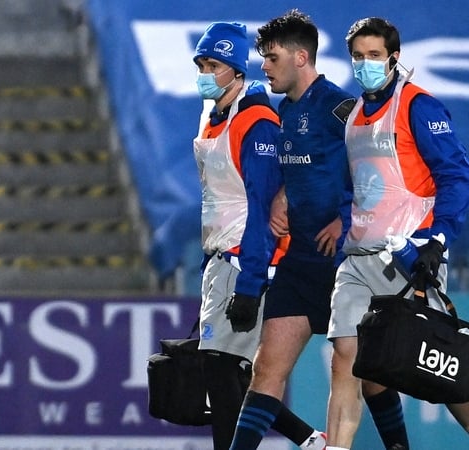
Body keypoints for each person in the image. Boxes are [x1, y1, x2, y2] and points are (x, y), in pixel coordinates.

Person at [227, 10, 408, 450]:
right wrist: (283, 195)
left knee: (370, 377)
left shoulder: (340, 108)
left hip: (344, 264)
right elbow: (300, 167)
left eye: (271, 58)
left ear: (301, 57)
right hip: (300, 262)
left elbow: (377, 174)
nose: (264, 67)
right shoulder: (283, 111)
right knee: (267, 371)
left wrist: (344, 218)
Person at [327, 17, 469, 450]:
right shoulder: (350, 116)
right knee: (346, 361)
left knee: (441, 373)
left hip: (408, 258)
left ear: (394, 58)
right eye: (357, 57)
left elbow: (456, 175)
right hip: (358, 258)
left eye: (373, 56)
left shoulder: (418, 106)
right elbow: (356, 187)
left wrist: (438, 241)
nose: (365, 64)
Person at [191, 21, 326, 450]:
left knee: (223, 370)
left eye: (213, 65)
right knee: (232, 373)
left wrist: (251, 282)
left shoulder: (256, 124)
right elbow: (218, 201)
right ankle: (310, 441)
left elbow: (261, 208)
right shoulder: (215, 116)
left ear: (234, 69)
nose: (204, 73)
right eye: (200, 64)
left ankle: (306, 441)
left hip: (243, 259)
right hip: (221, 259)